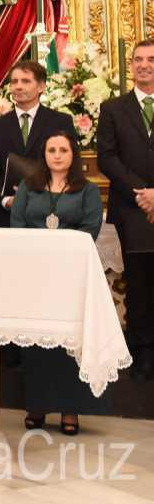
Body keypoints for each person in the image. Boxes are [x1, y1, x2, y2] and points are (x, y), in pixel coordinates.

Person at [12, 131, 108, 435]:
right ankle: (37, 405)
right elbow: (18, 223)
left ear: (72, 155)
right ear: (44, 155)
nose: (56, 155)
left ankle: (70, 408)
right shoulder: (29, 187)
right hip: (36, 275)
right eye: (51, 149)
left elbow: (90, 228)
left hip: (71, 276)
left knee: (68, 342)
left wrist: (61, 250)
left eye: (63, 150)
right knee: (38, 341)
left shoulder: (87, 190)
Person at [97, 38, 154, 380]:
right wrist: (144, 193)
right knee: (140, 282)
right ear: (130, 66)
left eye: (150, 59)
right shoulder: (113, 109)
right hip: (132, 210)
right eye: (138, 60)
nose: (144, 65)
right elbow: (106, 157)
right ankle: (143, 349)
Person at [0, 61, 73, 228]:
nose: (18, 86)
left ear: (41, 87)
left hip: (50, 212)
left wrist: (44, 197)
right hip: (5, 216)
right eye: (14, 82)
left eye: (25, 81)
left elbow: (69, 165)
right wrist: (6, 199)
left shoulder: (60, 122)